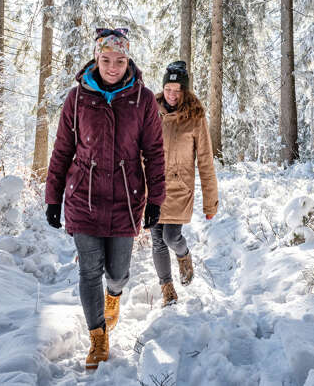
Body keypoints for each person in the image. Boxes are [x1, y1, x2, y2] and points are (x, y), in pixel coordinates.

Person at [44, 28, 165, 371]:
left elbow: (155, 153)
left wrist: (156, 199)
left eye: (120, 60)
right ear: (96, 59)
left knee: (118, 272)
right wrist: (53, 197)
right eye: (107, 59)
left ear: (129, 61)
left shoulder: (142, 99)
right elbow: (62, 150)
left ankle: (114, 296)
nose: (113, 66)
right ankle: (98, 336)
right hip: (83, 196)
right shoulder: (77, 98)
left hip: (127, 199)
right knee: (89, 271)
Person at [152, 60, 218, 306]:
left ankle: (184, 255)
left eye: (177, 90)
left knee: (171, 237)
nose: (171, 94)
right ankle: (167, 288)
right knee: (157, 239)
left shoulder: (195, 117)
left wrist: (210, 203)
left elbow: (205, 161)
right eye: (168, 89)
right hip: (153, 186)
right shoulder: (151, 110)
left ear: (184, 91)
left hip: (179, 188)